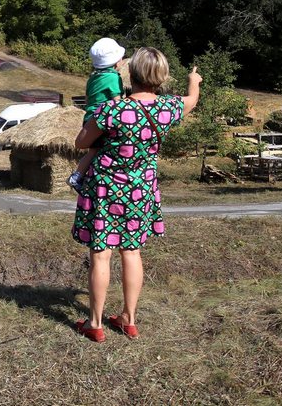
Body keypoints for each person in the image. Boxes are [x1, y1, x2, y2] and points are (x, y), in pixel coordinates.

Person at [71, 47, 202, 342]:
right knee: (131, 252)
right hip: (140, 189)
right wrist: (194, 79)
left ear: (130, 74)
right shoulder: (168, 108)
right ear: (162, 77)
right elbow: (191, 101)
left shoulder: (114, 110)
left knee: (100, 255)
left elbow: (82, 142)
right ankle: (129, 319)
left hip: (105, 189)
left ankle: (95, 324)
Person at [67, 38, 127, 192]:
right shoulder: (114, 77)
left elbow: (88, 100)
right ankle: (77, 176)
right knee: (103, 150)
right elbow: (117, 101)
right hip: (104, 118)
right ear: (114, 61)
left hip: (90, 117)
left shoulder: (93, 78)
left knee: (94, 150)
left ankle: (81, 175)